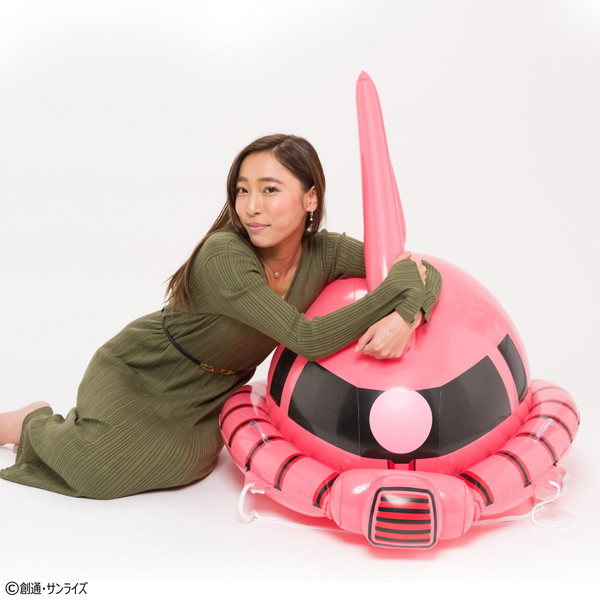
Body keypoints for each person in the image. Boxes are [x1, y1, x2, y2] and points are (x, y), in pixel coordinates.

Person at [0, 134, 441, 499]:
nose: (251, 206)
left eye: (270, 190)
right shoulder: (224, 254)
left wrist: (408, 314)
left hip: (212, 390)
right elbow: (305, 338)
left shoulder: (326, 253)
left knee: (187, 466)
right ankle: (31, 422)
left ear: (310, 198)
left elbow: (428, 272)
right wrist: (396, 289)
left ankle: (83, 433)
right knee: (96, 473)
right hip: (144, 369)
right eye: (242, 190)